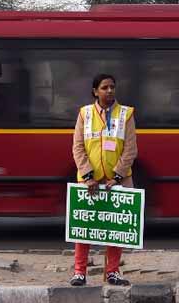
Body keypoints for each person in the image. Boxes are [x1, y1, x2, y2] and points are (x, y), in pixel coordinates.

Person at [70, 74, 138, 287]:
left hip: (117, 181)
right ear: (95, 91)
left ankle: (113, 272)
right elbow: (78, 147)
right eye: (105, 87)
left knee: (115, 228)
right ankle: (80, 272)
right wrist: (88, 176)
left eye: (112, 87)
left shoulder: (126, 114)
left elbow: (130, 149)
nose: (110, 91)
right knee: (84, 227)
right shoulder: (85, 114)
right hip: (90, 182)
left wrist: (117, 176)